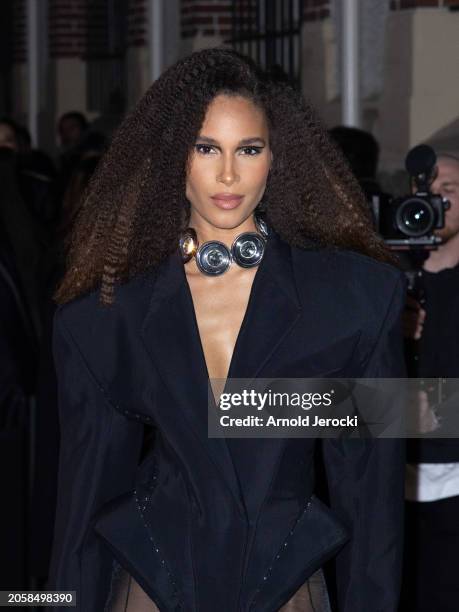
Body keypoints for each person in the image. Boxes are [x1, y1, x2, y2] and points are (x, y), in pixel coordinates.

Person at [46, 48, 406, 611]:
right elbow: (84, 501)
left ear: (275, 158)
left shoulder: (351, 299)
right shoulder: (105, 313)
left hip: (284, 586)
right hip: (151, 587)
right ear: (173, 157)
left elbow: (373, 496)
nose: (229, 175)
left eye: (250, 149)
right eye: (206, 147)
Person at [401, 153, 459, 612]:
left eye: (450, 192)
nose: (435, 201)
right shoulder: (382, 280)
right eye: (426, 189)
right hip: (388, 486)